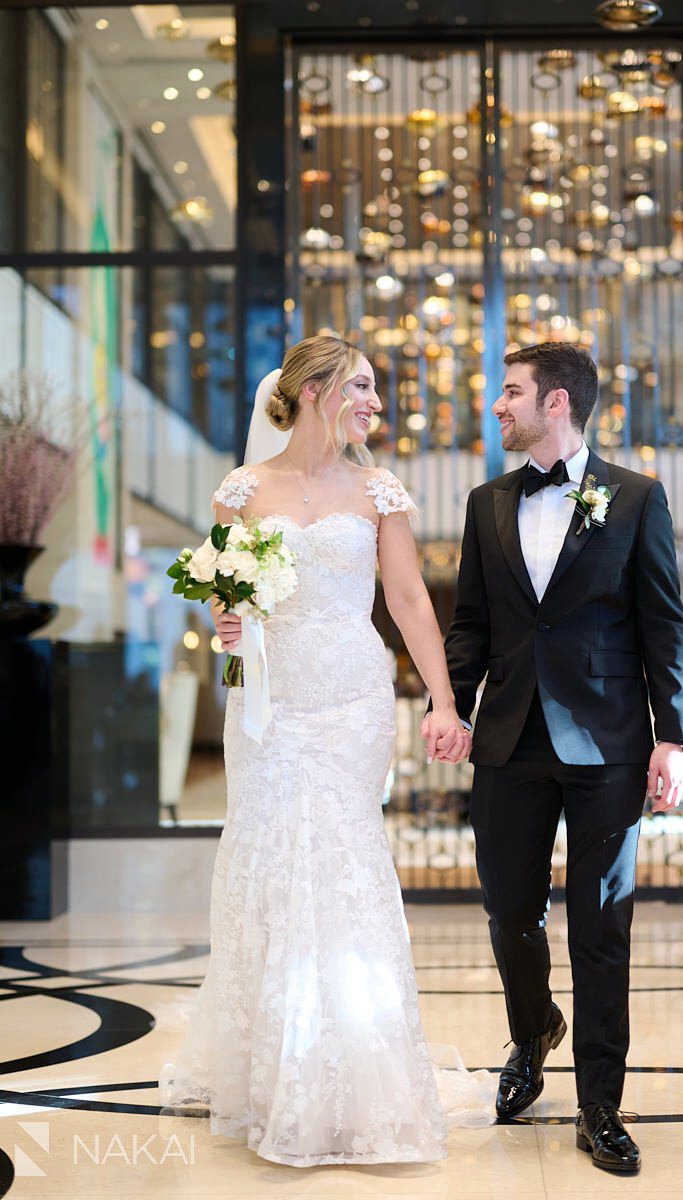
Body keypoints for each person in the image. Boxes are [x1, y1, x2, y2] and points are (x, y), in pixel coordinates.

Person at [159, 335, 479, 1166]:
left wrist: (444, 698)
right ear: (313, 390)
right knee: (270, 860)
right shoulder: (243, 489)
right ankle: (276, 1067)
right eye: (363, 385)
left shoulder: (378, 490)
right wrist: (226, 622)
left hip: (351, 699)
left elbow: (407, 598)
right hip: (268, 702)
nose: (376, 402)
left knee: (341, 856)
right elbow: (227, 601)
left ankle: (358, 1069)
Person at [435, 341, 683, 1175]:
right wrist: (452, 704)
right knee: (511, 913)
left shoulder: (638, 498)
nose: (498, 407)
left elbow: (665, 626)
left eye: (510, 393)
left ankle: (600, 1105)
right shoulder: (485, 503)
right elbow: (470, 620)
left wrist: (674, 736)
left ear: (556, 404)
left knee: (601, 928)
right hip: (509, 740)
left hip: (611, 745)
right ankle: (532, 1029)